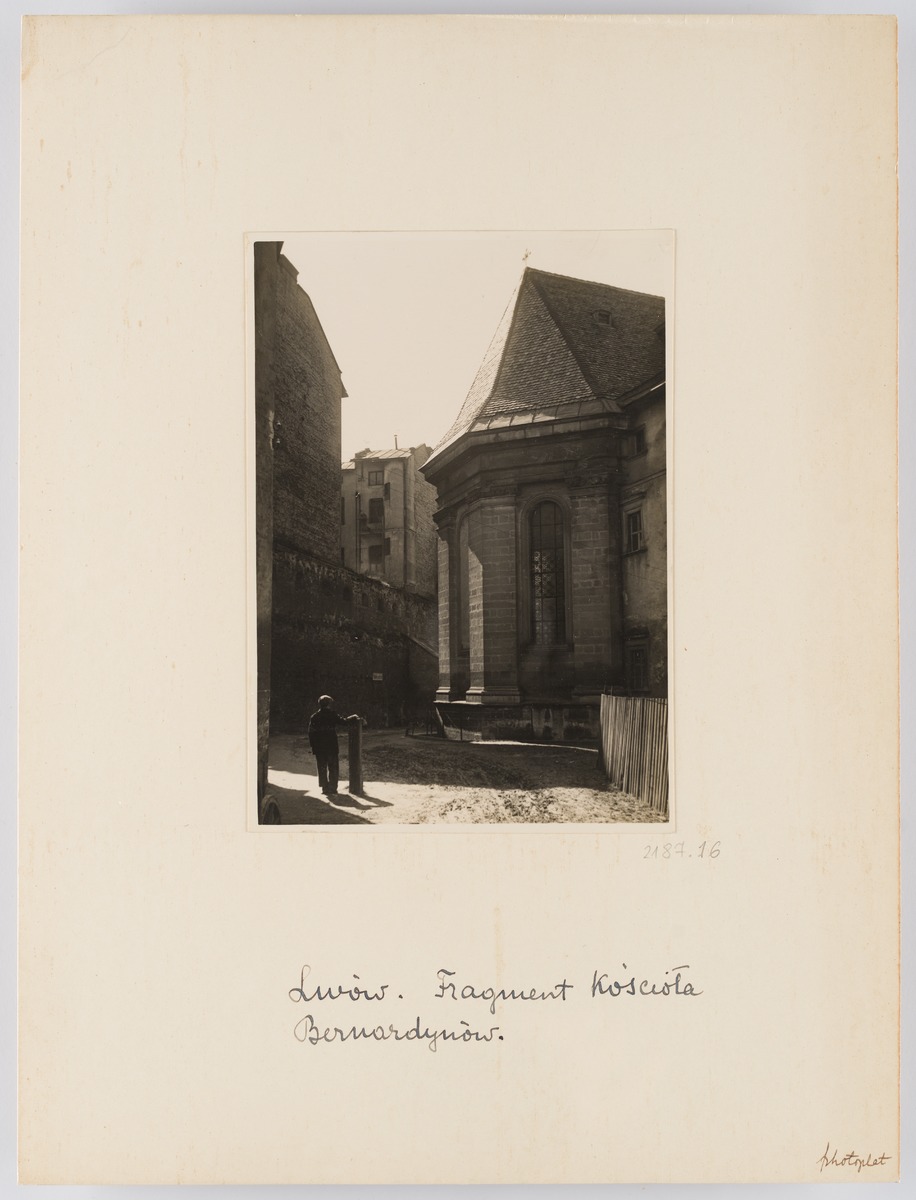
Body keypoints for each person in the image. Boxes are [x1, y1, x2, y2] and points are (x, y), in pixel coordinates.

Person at [307, 695, 358, 797]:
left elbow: (311, 733)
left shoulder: (314, 717)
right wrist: (353, 717)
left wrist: (313, 747)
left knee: (322, 768)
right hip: (331, 745)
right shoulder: (332, 714)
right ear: (329, 704)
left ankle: (324, 788)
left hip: (319, 747)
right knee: (333, 767)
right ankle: (333, 788)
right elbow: (344, 722)